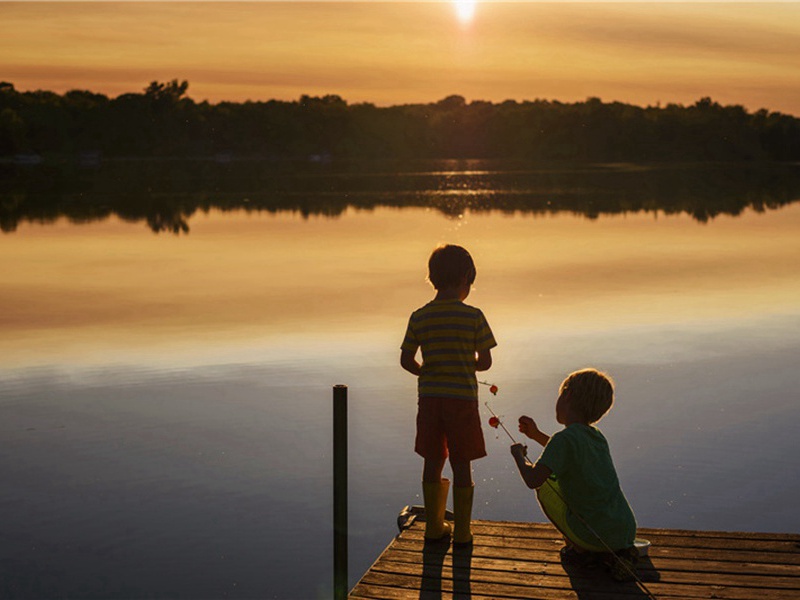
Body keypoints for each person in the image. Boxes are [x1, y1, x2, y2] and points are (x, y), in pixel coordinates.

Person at [401, 244, 497, 545]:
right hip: (462, 402)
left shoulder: (419, 317)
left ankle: (434, 527)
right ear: (466, 277)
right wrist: (467, 365)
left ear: (433, 278)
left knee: (432, 458)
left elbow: (406, 361)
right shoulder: (474, 317)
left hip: (430, 401)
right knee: (461, 462)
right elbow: (486, 362)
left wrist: (428, 373)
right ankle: (463, 533)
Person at [510, 368, 639, 580]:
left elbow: (533, 480)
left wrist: (518, 456)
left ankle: (584, 551)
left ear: (567, 395)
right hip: (624, 530)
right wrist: (535, 435)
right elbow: (565, 453)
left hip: (595, 535)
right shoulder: (597, 437)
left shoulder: (564, 440)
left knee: (548, 486)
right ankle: (615, 555)